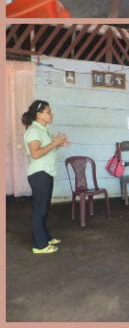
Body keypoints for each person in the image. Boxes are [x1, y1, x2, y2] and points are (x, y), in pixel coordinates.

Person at [21, 100, 70, 254]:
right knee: (39, 210)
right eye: (48, 112)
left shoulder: (43, 129)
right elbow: (35, 154)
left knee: (44, 208)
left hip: (46, 172)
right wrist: (53, 143)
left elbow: (46, 148)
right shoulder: (34, 131)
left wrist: (57, 143)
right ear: (39, 114)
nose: (51, 114)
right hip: (39, 173)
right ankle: (40, 245)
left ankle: (45, 237)